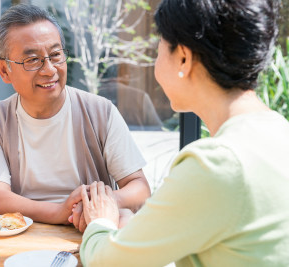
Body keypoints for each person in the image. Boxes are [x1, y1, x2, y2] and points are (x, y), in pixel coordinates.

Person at [79, 0, 289, 266]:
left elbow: (105, 262)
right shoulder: (278, 130)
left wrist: (100, 219)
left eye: (159, 49)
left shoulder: (218, 163)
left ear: (183, 58)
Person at [0, 3, 151, 228]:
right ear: (4, 70)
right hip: (24, 236)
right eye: (32, 60)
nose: (49, 69)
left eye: (56, 54)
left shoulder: (100, 111)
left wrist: (98, 205)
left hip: (90, 231)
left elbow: (140, 188)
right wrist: (59, 212)